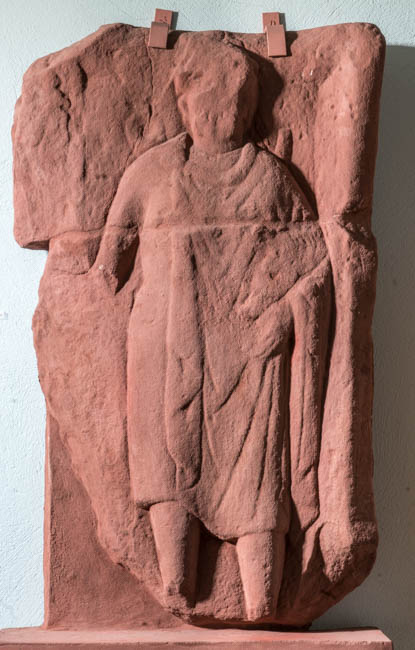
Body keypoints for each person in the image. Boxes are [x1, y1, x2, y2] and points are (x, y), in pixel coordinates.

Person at [94, 34, 330, 621]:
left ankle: (261, 600)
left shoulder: (271, 179)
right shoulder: (151, 173)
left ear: (249, 108)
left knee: (256, 486)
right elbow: (107, 269)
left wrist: (284, 316)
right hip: (166, 352)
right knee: (167, 474)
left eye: (237, 101)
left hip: (250, 360)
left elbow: (318, 265)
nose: (223, 113)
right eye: (210, 100)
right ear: (184, 103)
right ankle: (175, 582)